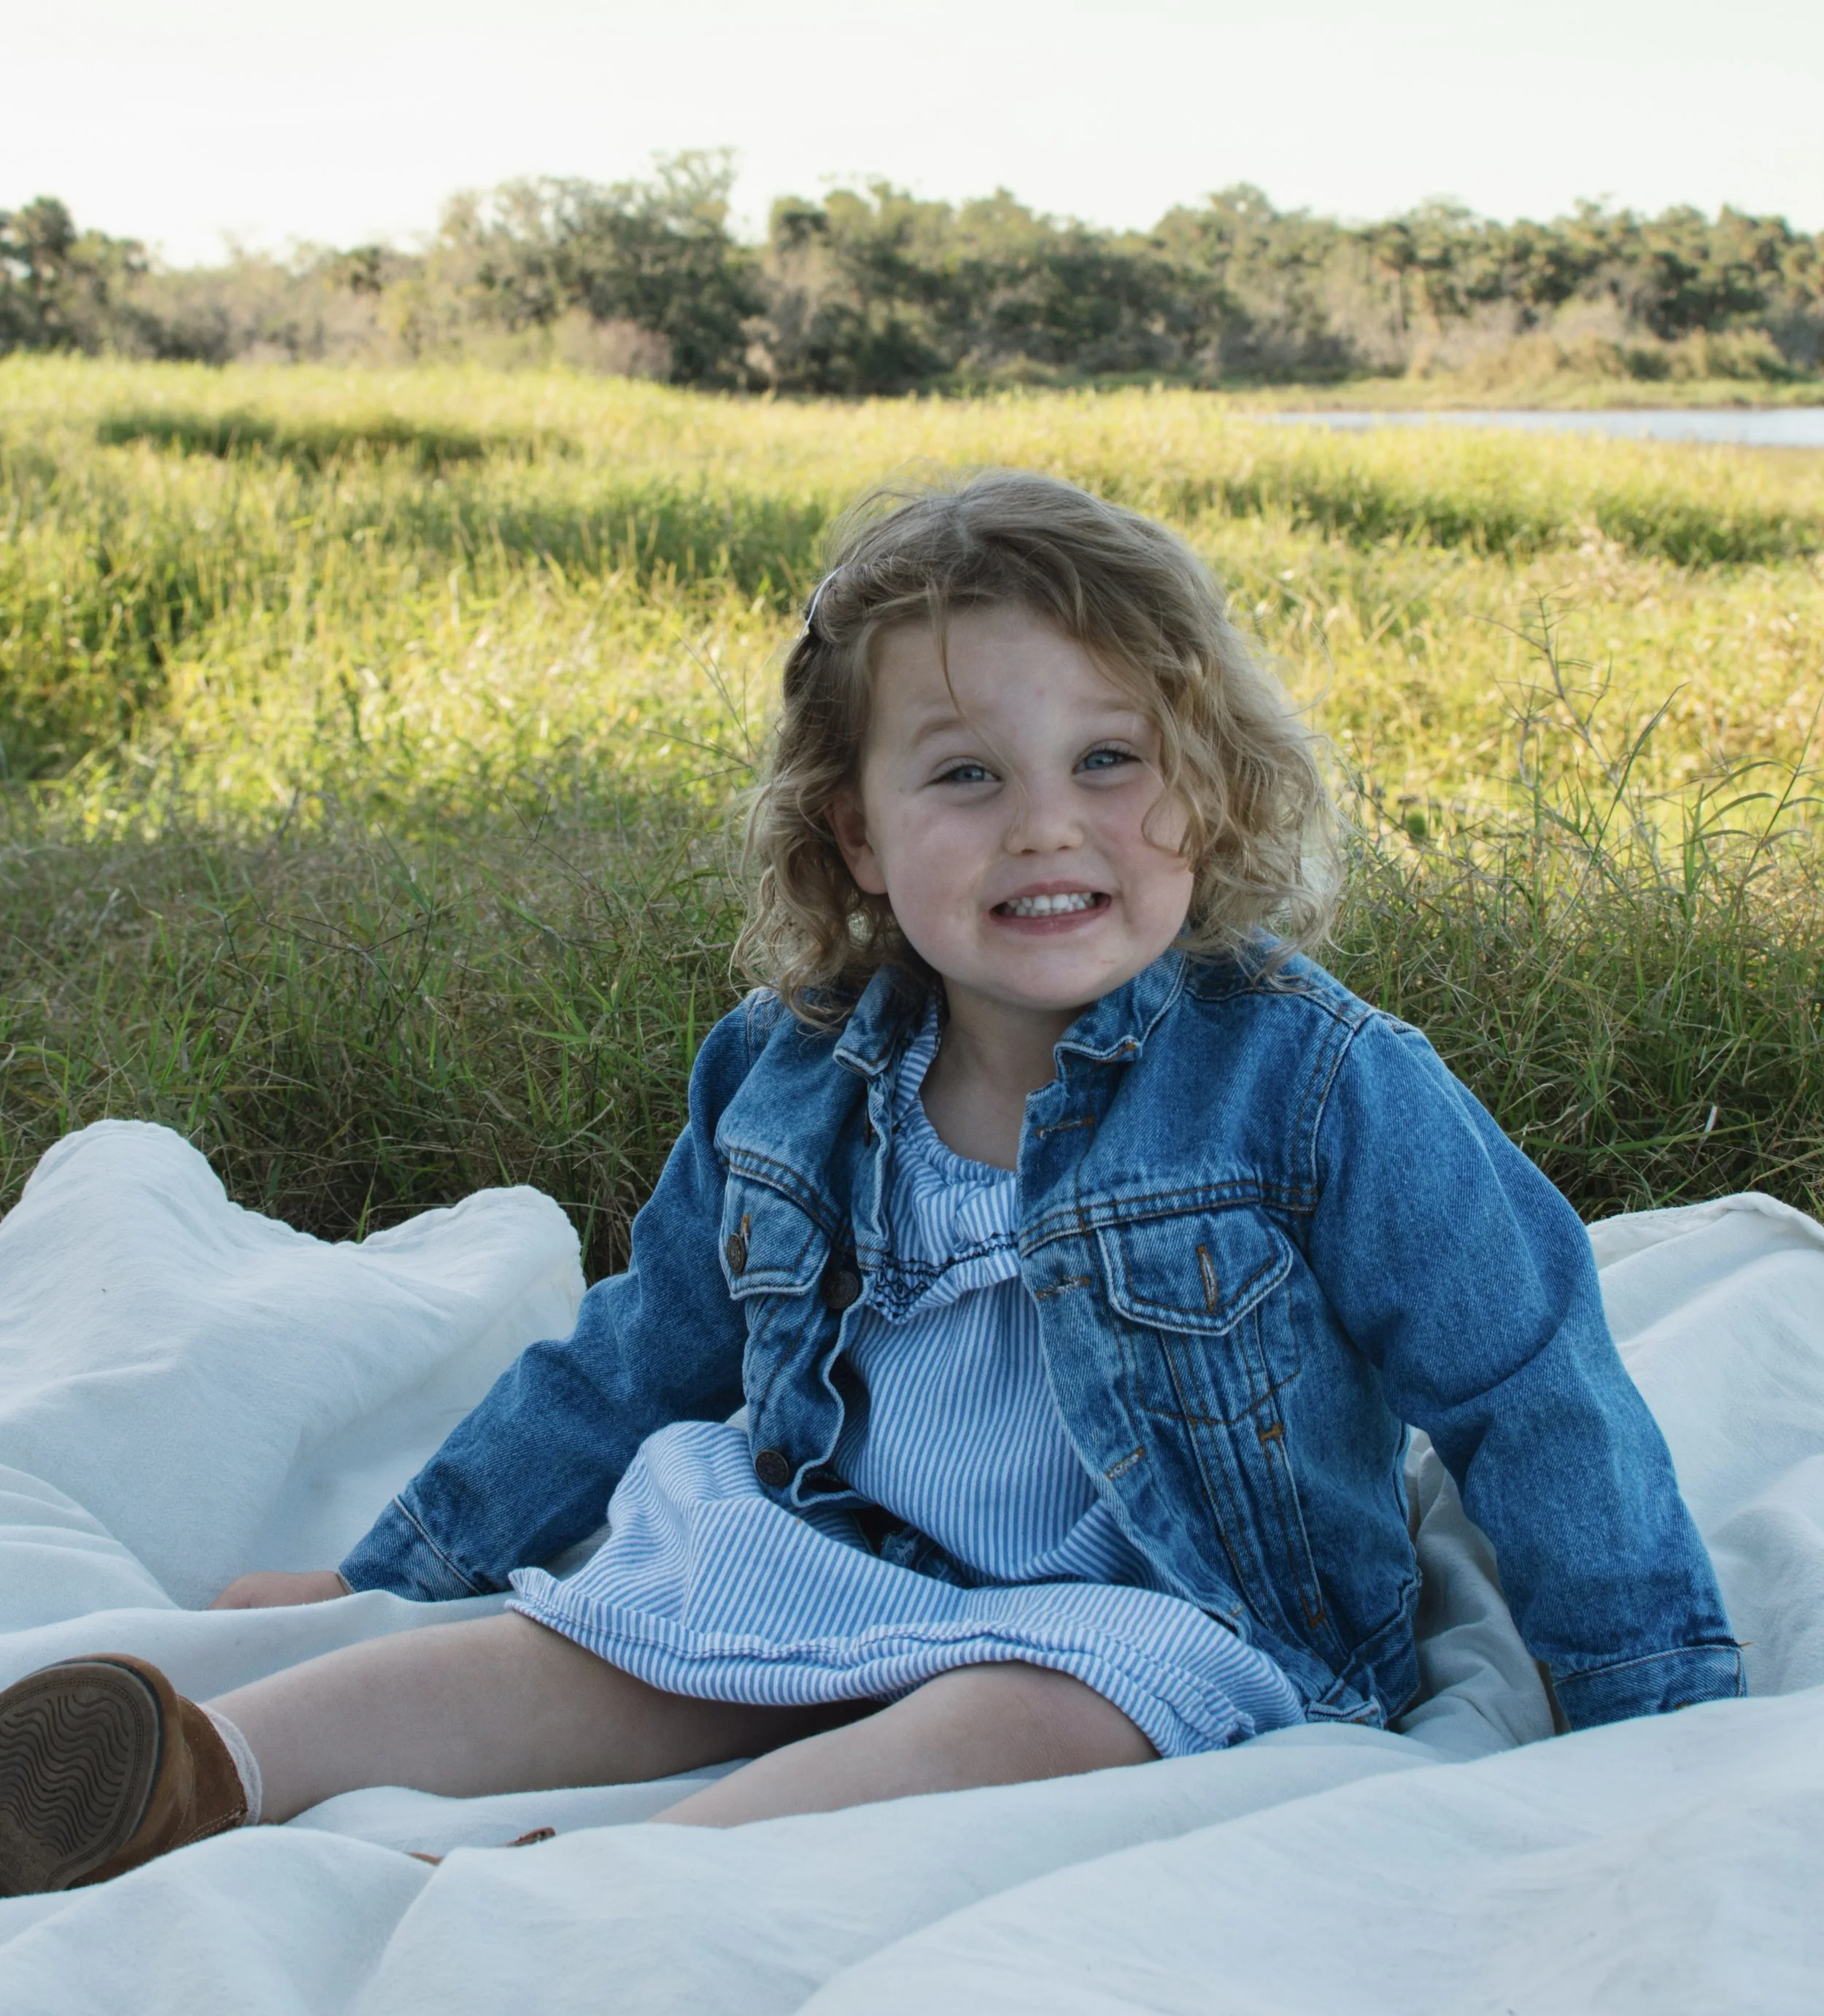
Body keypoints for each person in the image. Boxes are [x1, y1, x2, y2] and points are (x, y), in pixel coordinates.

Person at [0, 473, 1742, 1897]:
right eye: (965, 775)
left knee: (1029, 1712)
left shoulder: (1316, 1085)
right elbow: (646, 1352)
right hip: (835, 1541)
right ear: (855, 834)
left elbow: (1531, 1387)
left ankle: (608, 1891)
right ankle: (207, 1767)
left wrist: (1650, 1715)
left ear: (1205, 795)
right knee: (611, 1630)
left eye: (1109, 762)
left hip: (1162, 1602)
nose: (1045, 826)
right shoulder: (787, 1071)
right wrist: (417, 1560)